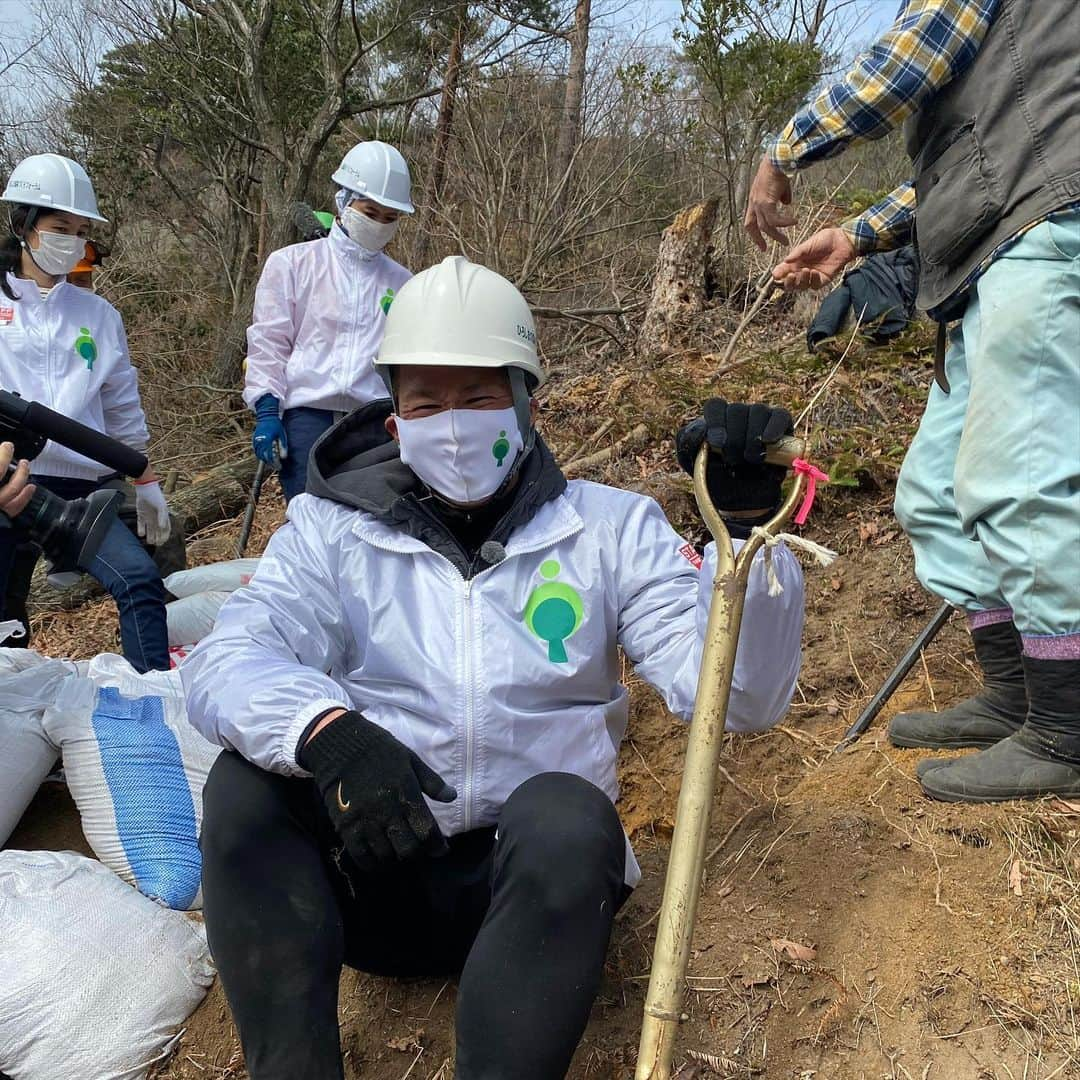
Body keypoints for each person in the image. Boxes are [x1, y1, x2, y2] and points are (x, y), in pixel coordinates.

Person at [182, 256, 807, 1080]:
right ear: (393, 418)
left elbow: (742, 698)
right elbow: (228, 656)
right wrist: (326, 731)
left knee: (567, 812)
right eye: (426, 401)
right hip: (378, 871)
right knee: (243, 789)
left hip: (540, 892)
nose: (452, 424)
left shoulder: (609, 529)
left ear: (527, 401)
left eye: (478, 397)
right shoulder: (329, 532)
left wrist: (748, 541)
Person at [744, 0, 1079, 803]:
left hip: (1042, 231)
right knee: (935, 492)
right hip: (991, 249)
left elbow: (918, 53)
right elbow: (973, 151)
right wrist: (859, 235)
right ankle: (1016, 696)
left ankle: (1068, 730)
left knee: (1020, 484)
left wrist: (784, 150)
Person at [0, 153, 171, 672]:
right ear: (24, 224)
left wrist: (143, 476)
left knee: (139, 580)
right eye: (59, 227)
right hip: (10, 478)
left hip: (82, 487)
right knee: (6, 611)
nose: (70, 240)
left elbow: (120, 401)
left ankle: (162, 703)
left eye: (79, 230)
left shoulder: (97, 314)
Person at [243, 141, 414, 502]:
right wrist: (268, 412)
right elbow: (269, 344)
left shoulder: (403, 284)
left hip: (375, 425)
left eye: (390, 218)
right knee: (312, 527)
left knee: (370, 532)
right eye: (371, 211)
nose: (379, 224)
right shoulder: (292, 264)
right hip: (308, 420)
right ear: (343, 200)